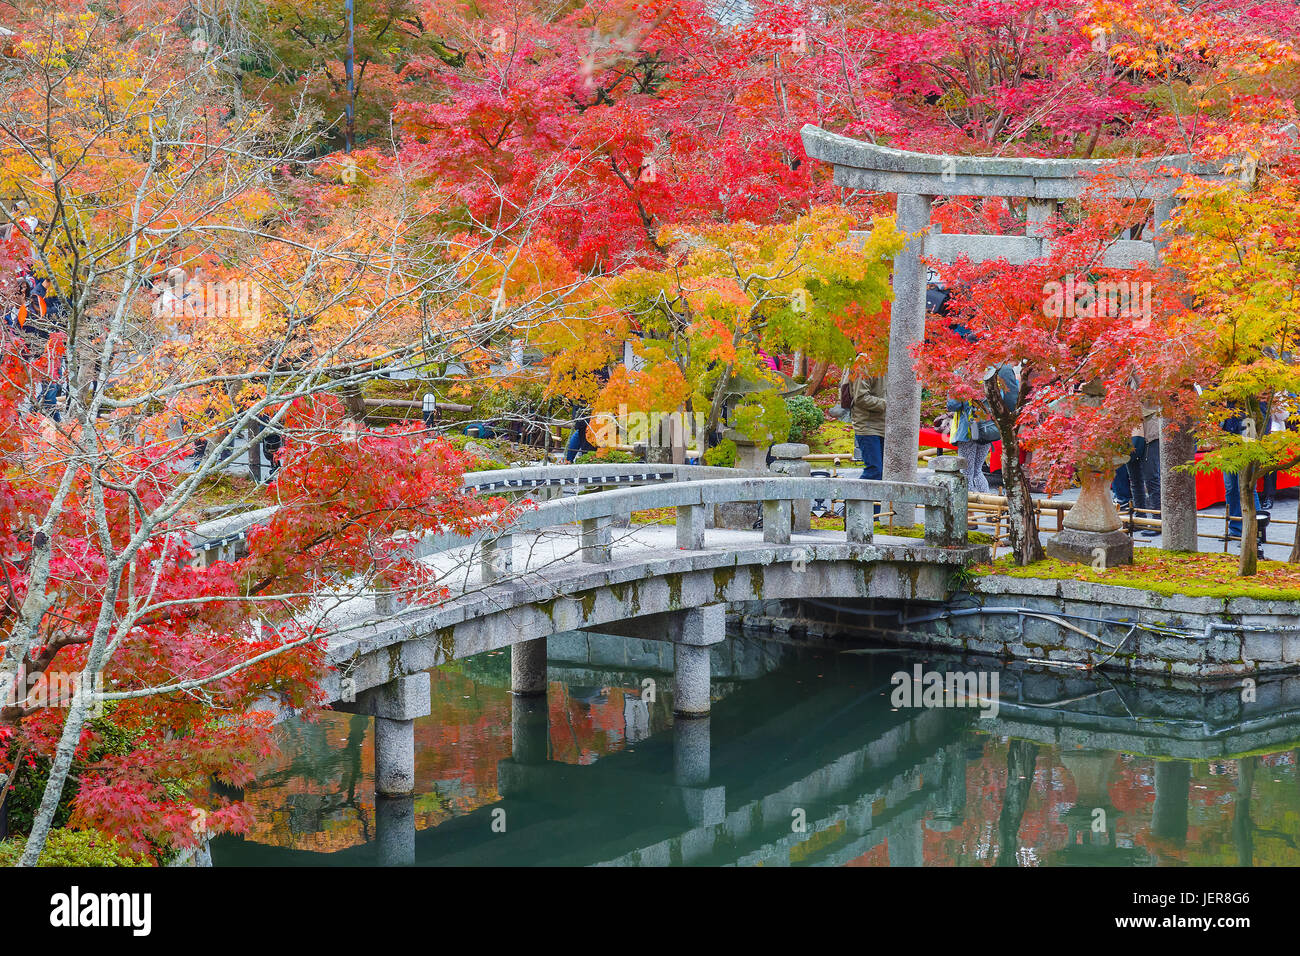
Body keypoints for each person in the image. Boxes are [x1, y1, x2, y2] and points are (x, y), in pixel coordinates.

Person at [946, 365, 1017, 495]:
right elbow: (1011, 399)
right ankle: (989, 507)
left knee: (966, 473)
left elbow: (953, 404)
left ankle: (969, 509)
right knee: (977, 470)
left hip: (968, 429)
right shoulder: (997, 368)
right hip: (989, 428)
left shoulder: (963, 371)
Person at [839, 356, 885, 481]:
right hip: (867, 425)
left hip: (884, 424)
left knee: (885, 471)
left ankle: (874, 500)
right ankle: (853, 499)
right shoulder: (863, 363)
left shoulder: (889, 361)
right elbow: (860, 398)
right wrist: (889, 405)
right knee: (875, 471)